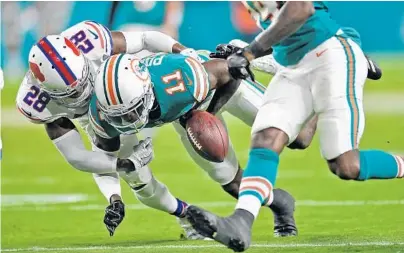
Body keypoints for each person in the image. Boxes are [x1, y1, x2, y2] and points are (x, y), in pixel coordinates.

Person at [185, 2, 396, 252]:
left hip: (330, 56)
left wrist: (250, 52)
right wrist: (246, 51)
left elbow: (301, 8)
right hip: (294, 66)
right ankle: (241, 220)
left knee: (346, 165)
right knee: (266, 138)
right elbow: (287, 27)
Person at [15, 20, 205, 238]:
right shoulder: (36, 102)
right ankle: (187, 215)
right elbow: (77, 156)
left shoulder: (89, 40)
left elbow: (145, 39)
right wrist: (120, 181)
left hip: (123, 82)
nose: (85, 91)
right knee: (141, 182)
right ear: (48, 91)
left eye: (83, 79)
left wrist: (186, 52)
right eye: (73, 94)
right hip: (97, 120)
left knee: (194, 87)